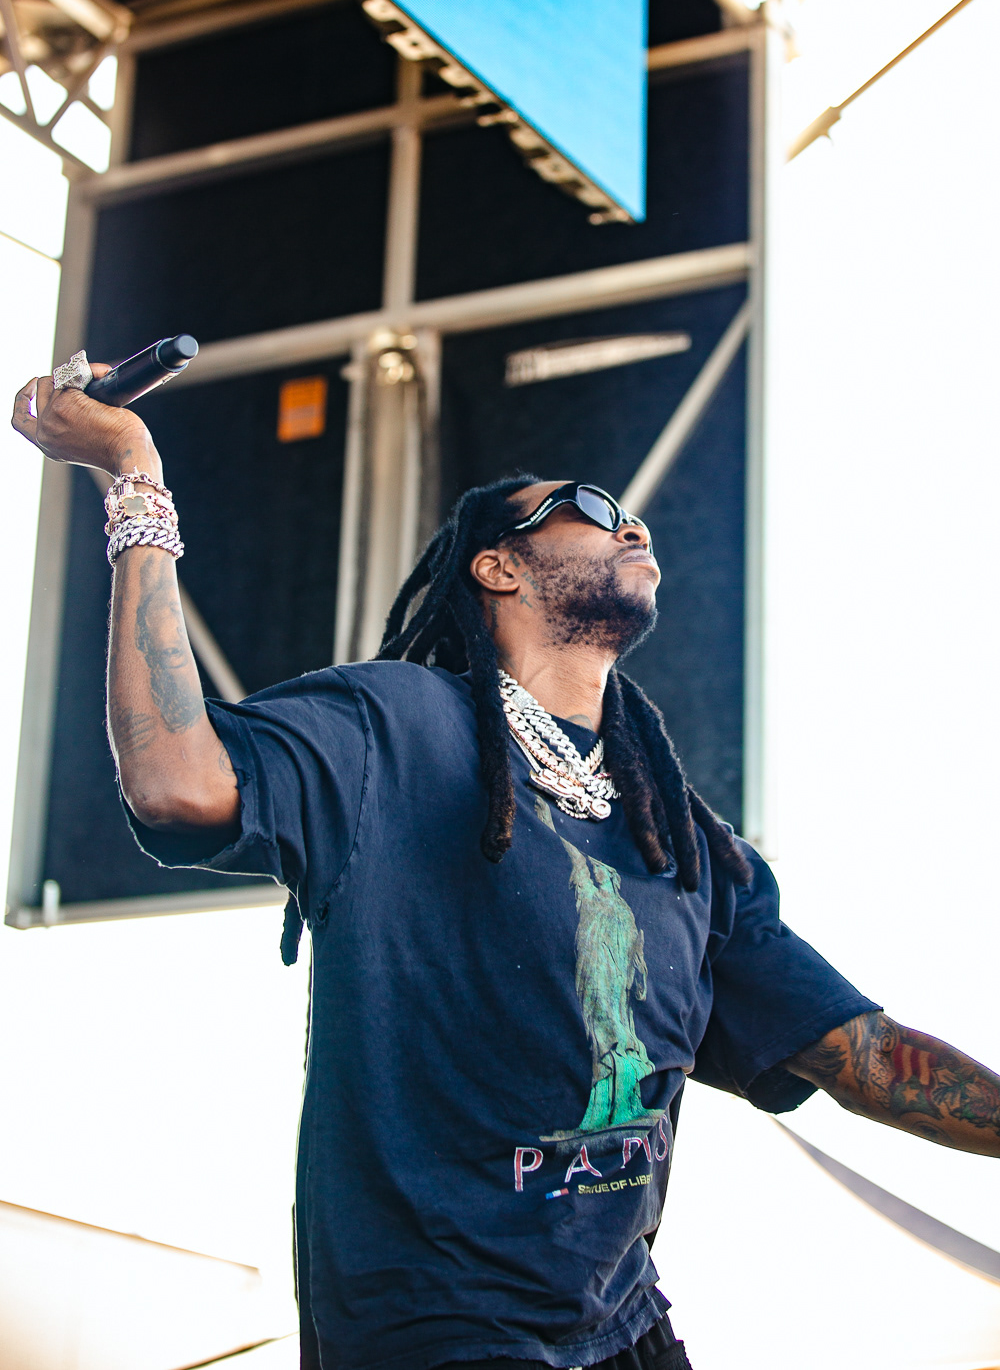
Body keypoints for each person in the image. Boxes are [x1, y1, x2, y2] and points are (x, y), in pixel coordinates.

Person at [13, 365, 1000, 1370]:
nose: (634, 525)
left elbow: (865, 1057)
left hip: (623, 1329)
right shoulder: (392, 728)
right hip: (437, 1335)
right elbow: (174, 781)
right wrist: (132, 473)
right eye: (593, 508)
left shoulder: (676, 833)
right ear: (498, 568)